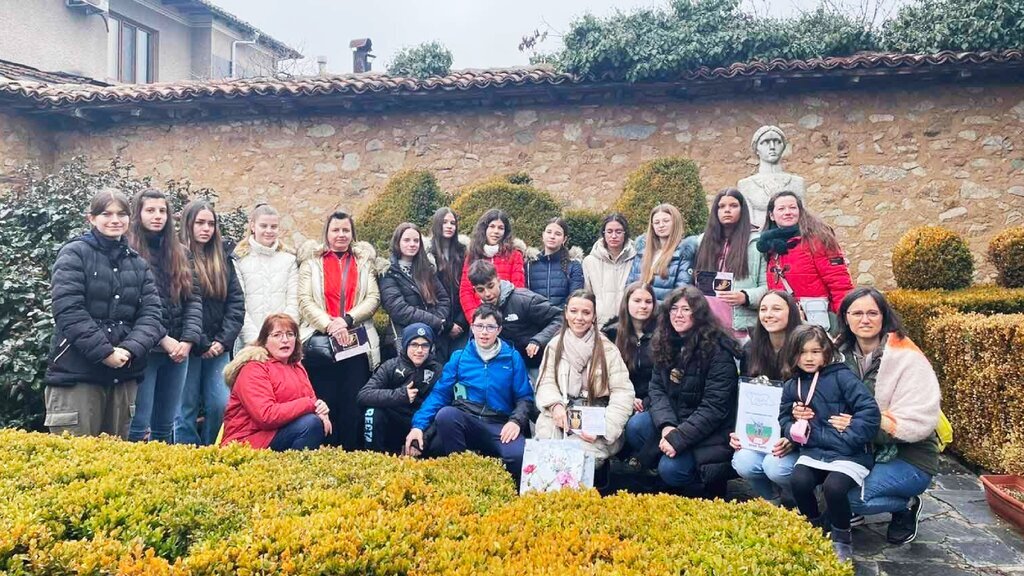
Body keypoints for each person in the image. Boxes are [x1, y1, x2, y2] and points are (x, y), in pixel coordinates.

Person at [43, 188, 165, 438]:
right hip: (77, 375)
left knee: (115, 458)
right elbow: (68, 310)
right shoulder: (74, 254)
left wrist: (129, 349)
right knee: (73, 455)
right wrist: (105, 352)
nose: (115, 220)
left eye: (121, 214)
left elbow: (152, 315)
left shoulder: (138, 264)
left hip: (123, 376)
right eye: (106, 214)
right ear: (92, 218)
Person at [834, 287, 941, 546]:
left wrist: (859, 426)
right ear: (846, 317)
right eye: (857, 313)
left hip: (908, 455)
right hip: (857, 448)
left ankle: (906, 505)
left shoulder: (907, 357)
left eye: (872, 313)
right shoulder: (836, 354)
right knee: (821, 485)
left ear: (884, 316)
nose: (865, 320)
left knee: (849, 498)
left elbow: (917, 421)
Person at [624, 286, 740, 497]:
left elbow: (713, 409)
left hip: (711, 432)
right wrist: (667, 425)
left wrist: (678, 438)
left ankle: (705, 481)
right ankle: (666, 465)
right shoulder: (665, 341)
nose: (678, 315)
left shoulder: (718, 352)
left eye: (686, 309)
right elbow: (657, 389)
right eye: (674, 309)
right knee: (636, 426)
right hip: (677, 419)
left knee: (671, 469)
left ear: (699, 314)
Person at [780, 324, 881, 562]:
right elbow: (783, 418)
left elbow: (870, 411)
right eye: (802, 352)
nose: (808, 358)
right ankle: (814, 527)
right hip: (814, 451)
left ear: (826, 352)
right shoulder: (792, 384)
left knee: (834, 488)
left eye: (815, 351)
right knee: (799, 481)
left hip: (849, 453)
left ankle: (841, 538)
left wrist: (850, 436)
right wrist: (792, 425)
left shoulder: (842, 377)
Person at [405, 305, 535, 478]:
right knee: (446, 415)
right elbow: (440, 394)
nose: (484, 332)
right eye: (479, 326)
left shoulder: (512, 357)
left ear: (499, 330)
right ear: (472, 327)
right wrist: (418, 426)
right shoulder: (460, 357)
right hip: (467, 419)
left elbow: (524, 397)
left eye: (490, 327)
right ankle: (462, 476)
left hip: (499, 423)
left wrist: (516, 421)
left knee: (518, 455)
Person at [297, 211, 381, 449]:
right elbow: (304, 300)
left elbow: (373, 298)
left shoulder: (363, 263)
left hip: (355, 339)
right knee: (325, 401)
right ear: (327, 233)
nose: (341, 235)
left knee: (352, 403)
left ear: (353, 233)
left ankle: (350, 453)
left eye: (346, 230)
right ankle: (325, 452)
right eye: (336, 230)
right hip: (321, 342)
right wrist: (329, 325)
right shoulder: (311, 263)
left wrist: (346, 320)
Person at [127, 188, 203, 443]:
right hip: (145, 350)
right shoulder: (129, 252)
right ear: (138, 214)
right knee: (138, 425)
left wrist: (188, 340)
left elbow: (194, 299)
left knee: (165, 426)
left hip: (178, 351)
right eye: (150, 210)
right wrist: (163, 339)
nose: (157, 216)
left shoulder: (181, 252)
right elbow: (134, 304)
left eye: (162, 211)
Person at [173, 200, 245, 445]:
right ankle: (184, 455)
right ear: (188, 224)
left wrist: (222, 342)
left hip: (217, 348)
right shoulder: (176, 257)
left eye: (211, 224)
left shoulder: (223, 259)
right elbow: (180, 306)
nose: (206, 229)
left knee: (220, 404)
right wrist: (200, 342)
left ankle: (209, 452)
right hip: (187, 346)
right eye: (200, 223)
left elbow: (236, 304)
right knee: (185, 408)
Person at [535, 290, 635, 464]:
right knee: (545, 454)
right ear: (566, 313)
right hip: (562, 413)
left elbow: (622, 392)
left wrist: (604, 428)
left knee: (576, 459)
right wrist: (555, 405)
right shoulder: (554, 346)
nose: (579, 318)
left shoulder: (608, 350)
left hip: (595, 415)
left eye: (586, 312)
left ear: (594, 316)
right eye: (574, 311)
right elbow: (546, 381)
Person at [730, 290, 803, 504]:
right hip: (762, 432)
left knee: (775, 467)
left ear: (792, 312)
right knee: (743, 461)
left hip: (798, 436)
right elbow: (745, 399)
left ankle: (800, 501)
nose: (768, 314)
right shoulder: (751, 349)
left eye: (776, 308)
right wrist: (739, 432)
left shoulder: (805, 348)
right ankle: (771, 500)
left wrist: (792, 439)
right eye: (763, 309)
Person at [221, 313, 330, 451]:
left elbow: (311, 399)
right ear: (264, 341)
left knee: (322, 424)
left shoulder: (296, 366)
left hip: (278, 433)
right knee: (310, 424)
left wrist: (321, 411)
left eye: (290, 334)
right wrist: (311, 405)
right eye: (277, 335)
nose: (285, 340)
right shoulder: (253, 368)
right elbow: (266, 416)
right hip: (247, 441)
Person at [757, 191, 853, 329]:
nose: (788, 212)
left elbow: (839, 283)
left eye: (792, 207)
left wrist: (846, 319)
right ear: (772, 215)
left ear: (800, 211)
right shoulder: (771, 246)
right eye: (781, 209)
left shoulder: (819, 240)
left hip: (815, 320)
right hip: (784, 322)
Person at [692, 189, 768, 339]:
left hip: (742, 331)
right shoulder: (702, 241)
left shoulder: (756, 243)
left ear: (742, 210)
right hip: (707, 329)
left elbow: (769, 287)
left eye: (733, 205)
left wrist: (745, 296)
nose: (727, 210)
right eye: (722, 206)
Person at [358, 323, 443, 454]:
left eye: (425, 345)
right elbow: (364, 395)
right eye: (414, 344)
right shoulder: (391, 365)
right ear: (405, 345)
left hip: (422, 425)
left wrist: (422, 438)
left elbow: (442, 405)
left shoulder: (438, 370)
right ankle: (374, 456)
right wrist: (400, 395)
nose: (419, 350)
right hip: (394, 421)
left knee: (444, 416)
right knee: (372, 412)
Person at [465, 260, 561, 375]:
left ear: (498, 280)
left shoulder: (524, 300)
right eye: (481, 290)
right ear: (474, 290)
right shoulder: (480, 314)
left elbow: (560, 318)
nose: (487, 294)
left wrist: (538, 340)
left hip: (535, 364)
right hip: (504, 368)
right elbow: (472, 344)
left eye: (490, 286)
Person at [379, 223, 451, 358]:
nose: (412, 244)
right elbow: (398, 310)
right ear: (397, 242)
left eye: (416, 240)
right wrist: (433, 321)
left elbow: (444, 299)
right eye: (407, 240)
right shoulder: (388, 272)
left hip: (433, 337)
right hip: (405, 339)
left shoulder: (427, 269)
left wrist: (439, 318)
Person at [234, 203, 298, 350]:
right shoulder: (239, 259)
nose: (269, 231)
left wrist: (281, 337)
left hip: (282, 344)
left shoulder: (289, 260)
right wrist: (255, 340)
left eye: (273, 227)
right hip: (250, 343)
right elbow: (239, 305)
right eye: (263, 226)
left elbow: (293, 303)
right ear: (253, 226)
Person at [458, 209, 525, 321]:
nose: (496, 231)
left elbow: (518, 289)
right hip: (480, 319)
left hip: (507, 317)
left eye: (500, 228)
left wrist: (508, 318)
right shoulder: (472, 255)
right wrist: (476, 320)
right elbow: (466, 291)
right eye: (492, 226)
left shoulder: (514, 255)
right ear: (484, 228)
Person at [737, 125, 807, 229]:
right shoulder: (746, 184)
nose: (772, 146)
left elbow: (804, 220)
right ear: (756, 149)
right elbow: (748, 224)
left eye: (777, 142)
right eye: (765, 142)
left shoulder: (797, 182)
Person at [602, 282, 656, 412]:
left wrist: (646, 401)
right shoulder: (610, 335)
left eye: (648, 302)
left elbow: (662, 380)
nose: (643, 306)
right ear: (626, 303)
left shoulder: (662, 334)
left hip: (652, 402)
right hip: (616, 400)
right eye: (637, 301)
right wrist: (627, 398)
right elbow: (604, 377)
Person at [627, 204, 696, 302]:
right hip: (642, 309)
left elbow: (682, 291)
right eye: (656, 222)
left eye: (666, 221)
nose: (661, 225)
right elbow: (630, 286)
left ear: (675, 223)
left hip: (666, 309)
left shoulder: (683, 254)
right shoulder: (642, 253)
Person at [426, 207, 468, 358]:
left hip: (462, 321)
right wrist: (446, 324)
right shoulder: (427, 254)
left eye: (453, 223)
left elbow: (469, 288)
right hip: (438, 322)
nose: (449, 226)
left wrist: (460, 322)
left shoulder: (463, 252)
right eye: (444, 222)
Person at [583, 213, 636, 327]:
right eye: (609, 231)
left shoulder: (636, 259)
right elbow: (587, 295)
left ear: (625, 233)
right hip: (601, 325)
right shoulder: (590, 261)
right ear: (603, 233)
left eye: (618, 231)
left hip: (630, 324)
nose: (614, 236)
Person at [525, 217, 584, 309]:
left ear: (564, 239)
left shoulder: (573, 265)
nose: (552, 236)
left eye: (558, 234)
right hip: (535, 316)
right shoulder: (530, 264)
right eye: (549, 232)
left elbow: (575, 299)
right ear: (543, 235)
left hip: (562, 316)